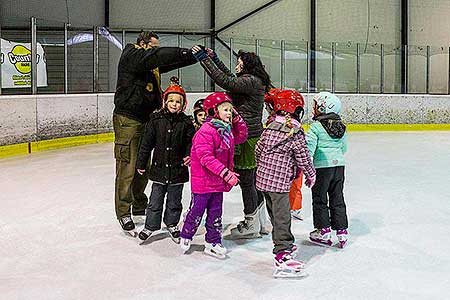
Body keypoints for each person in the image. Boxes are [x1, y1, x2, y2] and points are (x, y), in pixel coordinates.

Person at [113, 31, 197, 236]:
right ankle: (123, 211)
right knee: (128, 167)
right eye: (153, 46)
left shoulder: (148, 64)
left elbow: (166, 61)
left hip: (146, 119)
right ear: (142, 44)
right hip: (129, 120)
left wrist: (192, 57)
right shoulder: (131, 54)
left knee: (144, 166)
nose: (156, 50)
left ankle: (139, 203)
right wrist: (184, 51)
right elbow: (157, 57)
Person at [191, 45, 271, 239]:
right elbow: (230, 80)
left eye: (239, 62)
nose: (237, 65)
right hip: (250, 135)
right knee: (251, 181)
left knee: (247, 181)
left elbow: (225, 80)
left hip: (247, 138)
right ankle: (260, 222)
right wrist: (214, 58)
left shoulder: (251, 81)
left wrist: (203, 58)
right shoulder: (251, 80)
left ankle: (251, 222)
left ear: (247, 65)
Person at [255, 89, 316, 278]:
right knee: (283, 218)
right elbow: (304, 158)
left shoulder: (269, 129)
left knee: (275, 215)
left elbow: (258, 151)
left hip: (263, 182)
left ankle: (282, 243)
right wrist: (311, 175)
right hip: (279, 184)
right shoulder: (295, 133)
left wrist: (264, 168)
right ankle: (283, 254)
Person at [180, 92, 248, 259]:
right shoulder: (206, 131)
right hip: (203, 181)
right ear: (214, 112)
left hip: (217, 181)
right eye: (226, 110)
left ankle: (213, 241)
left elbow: (241, 136)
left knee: (216, 212)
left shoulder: (226, 130)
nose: (229, 114)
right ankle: (186, 234)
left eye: (231, 111)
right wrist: (226, 173)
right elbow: (205, 157)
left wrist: (238, 119)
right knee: (197, 210)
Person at [134, 78, 195, 244]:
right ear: (165, 101)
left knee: (175, 201)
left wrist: (189, 154)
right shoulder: (155, 120)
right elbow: (146, 143)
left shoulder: (186, 122)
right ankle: (150, 226)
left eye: (178, 101)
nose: (174, 104)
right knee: (155, 201)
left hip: (177, 169)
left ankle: (172, 223)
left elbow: (191, 142)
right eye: (171, 101)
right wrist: (141, 163)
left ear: (183, 104)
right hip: (159, 169)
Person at [306, 92, 349, 249]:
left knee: (319, 198)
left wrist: (304, 163)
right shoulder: (341, 126)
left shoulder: (316, 127)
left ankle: (323, 230)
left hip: (322, 168)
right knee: (337, 197)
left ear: (323, 107)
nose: (313, 108)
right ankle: (342, 231)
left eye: (316, 105)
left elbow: (308, 149)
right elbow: (344, 148)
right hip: (339, 167)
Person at [264, 88, 305, 221]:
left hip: (283, 163)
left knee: (291, 184)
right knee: (291, 183)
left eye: (268, 106)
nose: (266, 108)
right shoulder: (283, 120)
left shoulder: (278, 121)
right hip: (287, 162)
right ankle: (292, 207)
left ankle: (291, 208)